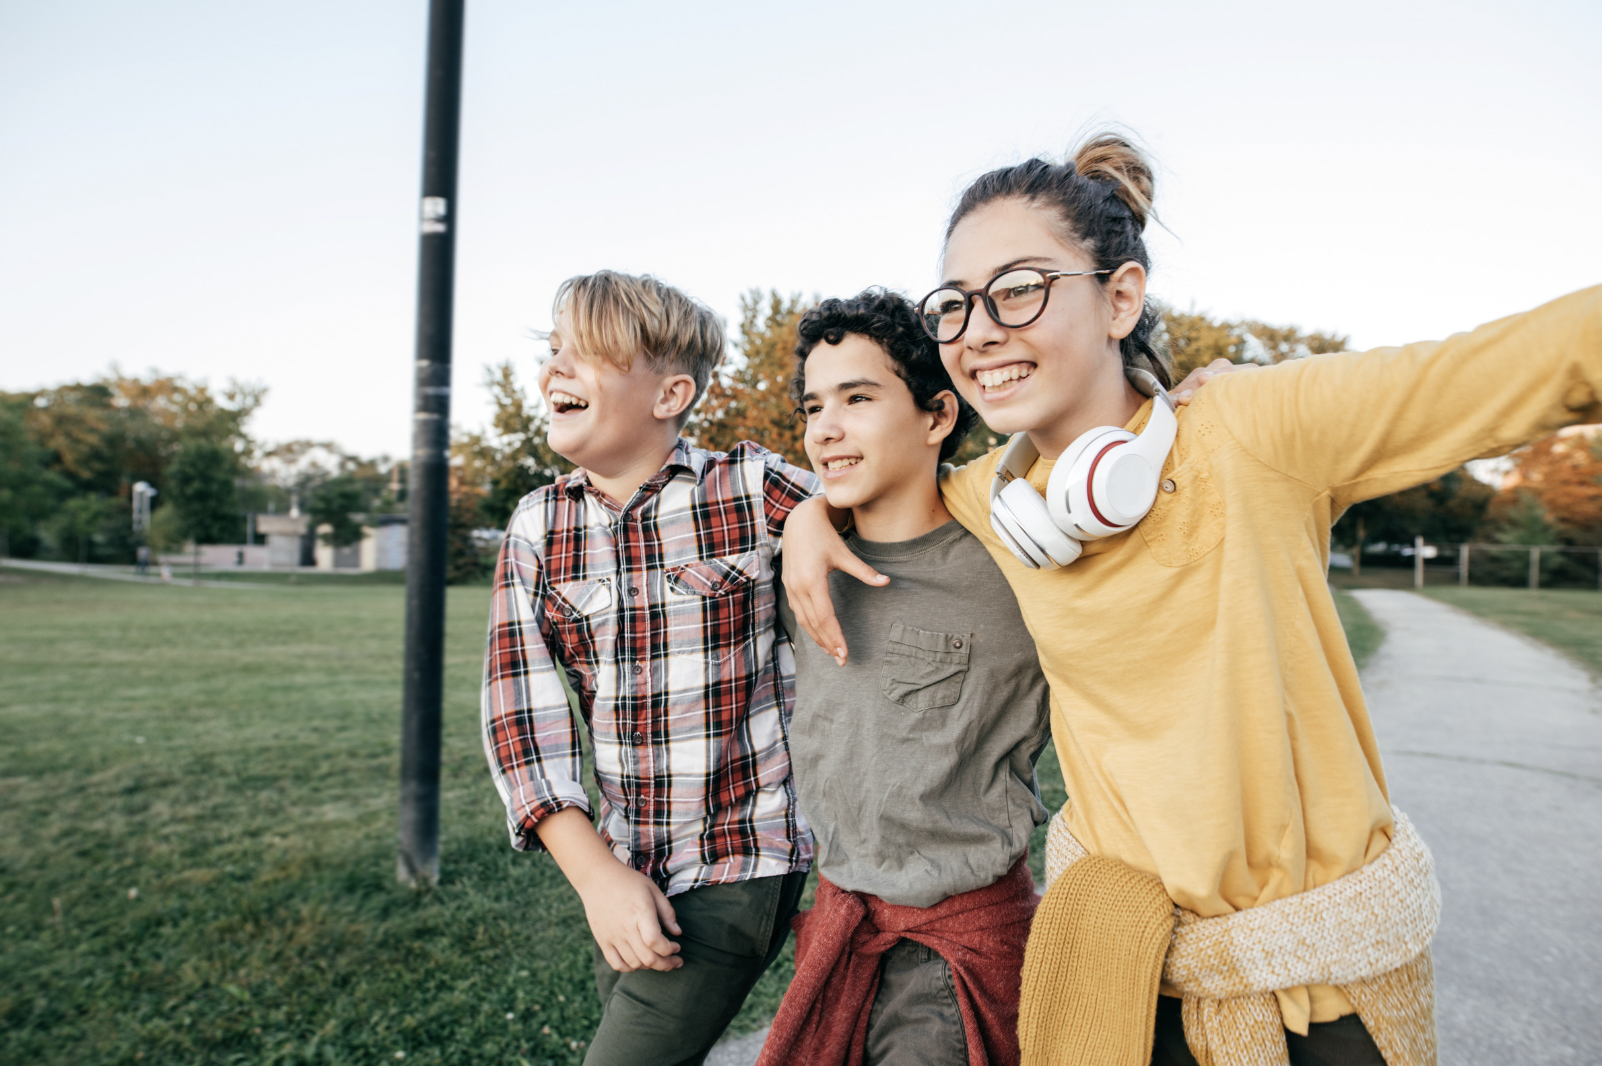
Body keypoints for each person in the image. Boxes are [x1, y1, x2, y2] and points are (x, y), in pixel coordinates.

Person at [782, 133, 1602, 1066]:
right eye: (956, 305)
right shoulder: (989, 500)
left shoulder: (1257, 427)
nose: (977, 331)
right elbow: (865, 473)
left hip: (1317, 985)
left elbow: (1543, 359)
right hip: (1127, 977)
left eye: (1019, 289)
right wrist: (810, 514)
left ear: (1120, 297)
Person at [481, 270, 815, 1066]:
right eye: (553, 350)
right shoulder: (539, 524)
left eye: (587, 354)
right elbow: (521, 719)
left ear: (669, 394)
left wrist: (816, 522)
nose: (554, 370)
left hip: (746, 854)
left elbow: (888, 498)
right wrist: (598, 880)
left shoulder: (750, 486)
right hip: (625, 864)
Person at [756, 290, 1051, 1066]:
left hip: (953, 950)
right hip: (844, 927)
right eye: (815, 404)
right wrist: (802, 521)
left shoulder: (1013, 563)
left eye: (858, 398)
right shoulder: (800, 567)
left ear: (937, 417)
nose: (825, 426)